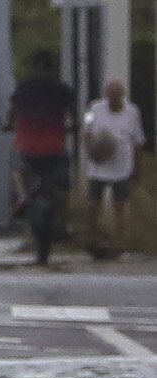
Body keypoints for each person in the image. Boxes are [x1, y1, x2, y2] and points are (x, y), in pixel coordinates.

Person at [7, 50, 78, 263]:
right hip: (54, 146)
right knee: (64, 186)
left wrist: (9, 125)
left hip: (28, 146)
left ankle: (22, 195)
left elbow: (12, 111)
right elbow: (72, 113)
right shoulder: (61, 88)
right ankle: (63, 222)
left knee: (16, 165)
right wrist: (73, 126)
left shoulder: (24, 86)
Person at [78, 77, 141, 262]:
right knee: (93, 204)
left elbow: (137, 141)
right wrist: (91, 150)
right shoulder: (95, 108)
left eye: (117, 92)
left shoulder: (132, 111)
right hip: (99, 167)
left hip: (122, 166)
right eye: (110, 92)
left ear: (122, 95)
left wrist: (138, 168)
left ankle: (118, 243)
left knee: (120, 205)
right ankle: (93, 239)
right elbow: (87, 131)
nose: (113, 96)